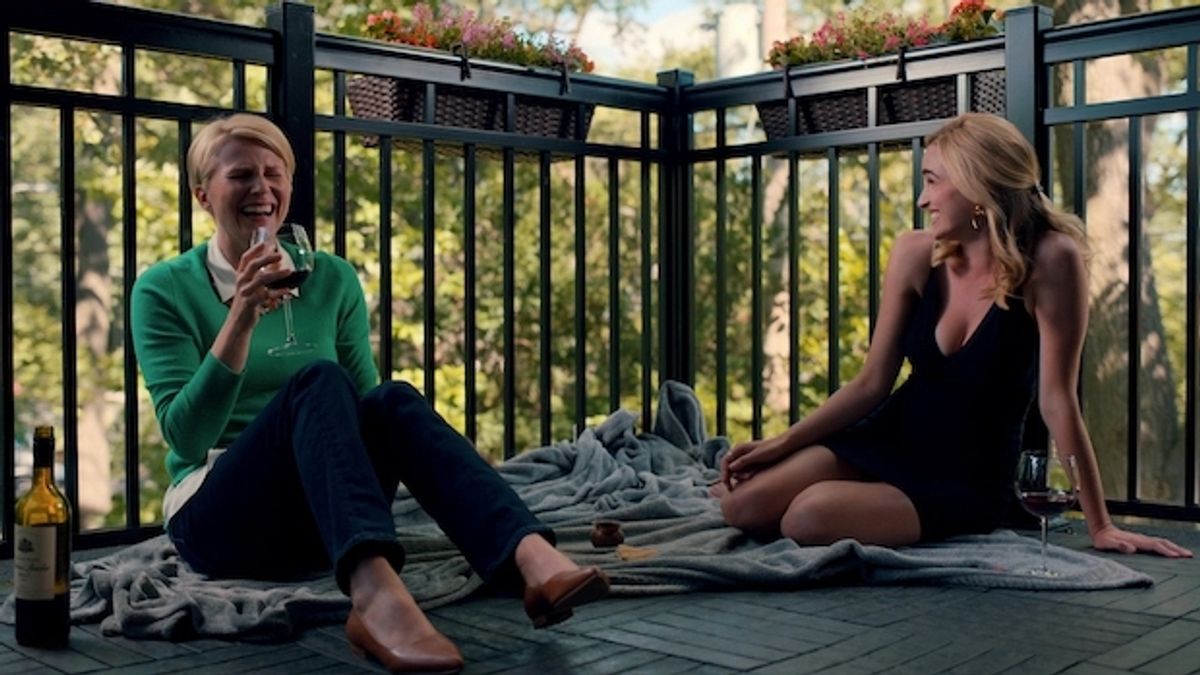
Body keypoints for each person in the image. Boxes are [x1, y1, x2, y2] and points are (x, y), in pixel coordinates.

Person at [130, 113, 609, 674]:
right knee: (318, 379)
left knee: (392, 399)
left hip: (324, 521)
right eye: (240, 175)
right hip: (221, 523)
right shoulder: (162, 289)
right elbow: (186, 439)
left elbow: (365, 413)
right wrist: (240, 317)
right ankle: (375, 598)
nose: (261, 188)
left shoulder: (330, 278)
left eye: (273, 173)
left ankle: (530, 559)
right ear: (203, 195)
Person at [715, 112, 1192, 559]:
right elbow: (871, 383)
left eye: (932, 181)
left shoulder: (1051, 259)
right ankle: (851, 495)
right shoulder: (915, 253)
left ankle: (860, 503)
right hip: (890, 436)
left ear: (977, 184)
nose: (922, 200)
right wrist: (781, 444)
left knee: (806, 517)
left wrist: (1100, 525)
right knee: (742, 507)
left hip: (966, 473)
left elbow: (1057, 400)